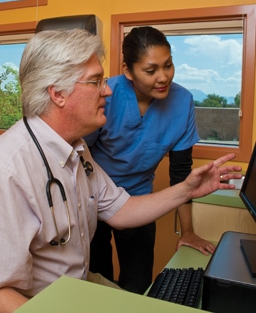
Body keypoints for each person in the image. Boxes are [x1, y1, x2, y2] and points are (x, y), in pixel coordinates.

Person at [0, 28, 242, 313]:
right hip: (45, 301)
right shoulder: (10, 169)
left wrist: (187, 189)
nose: (108, 90)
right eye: (96, 81)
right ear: (58, 94)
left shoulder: (77, 150)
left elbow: (121, 210)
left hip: (78, 285)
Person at [84, 26, 216, 294]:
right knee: (97, 279)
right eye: (151, 70)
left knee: (138, 282)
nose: (163, 77)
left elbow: (182, 173)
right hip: (93, 198)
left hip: (140, 200)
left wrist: (187, 232)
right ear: (128, 70)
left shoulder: (183, 101)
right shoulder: (106, 95)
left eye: (168, 65)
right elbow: (79, 156)